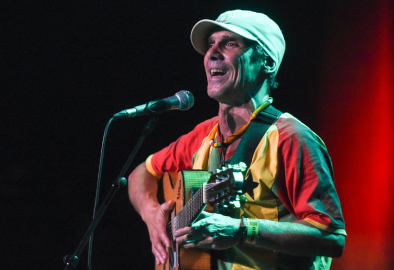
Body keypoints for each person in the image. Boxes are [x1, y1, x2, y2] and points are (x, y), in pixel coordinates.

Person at [128, 10, 346, 270]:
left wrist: (244, 230)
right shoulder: (203, 136)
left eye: (230, 44)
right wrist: (152, 215)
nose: (212, 52)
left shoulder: (291, 138)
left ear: (267, 63)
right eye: (211, 44)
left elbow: (332, 237)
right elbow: (141, 173)